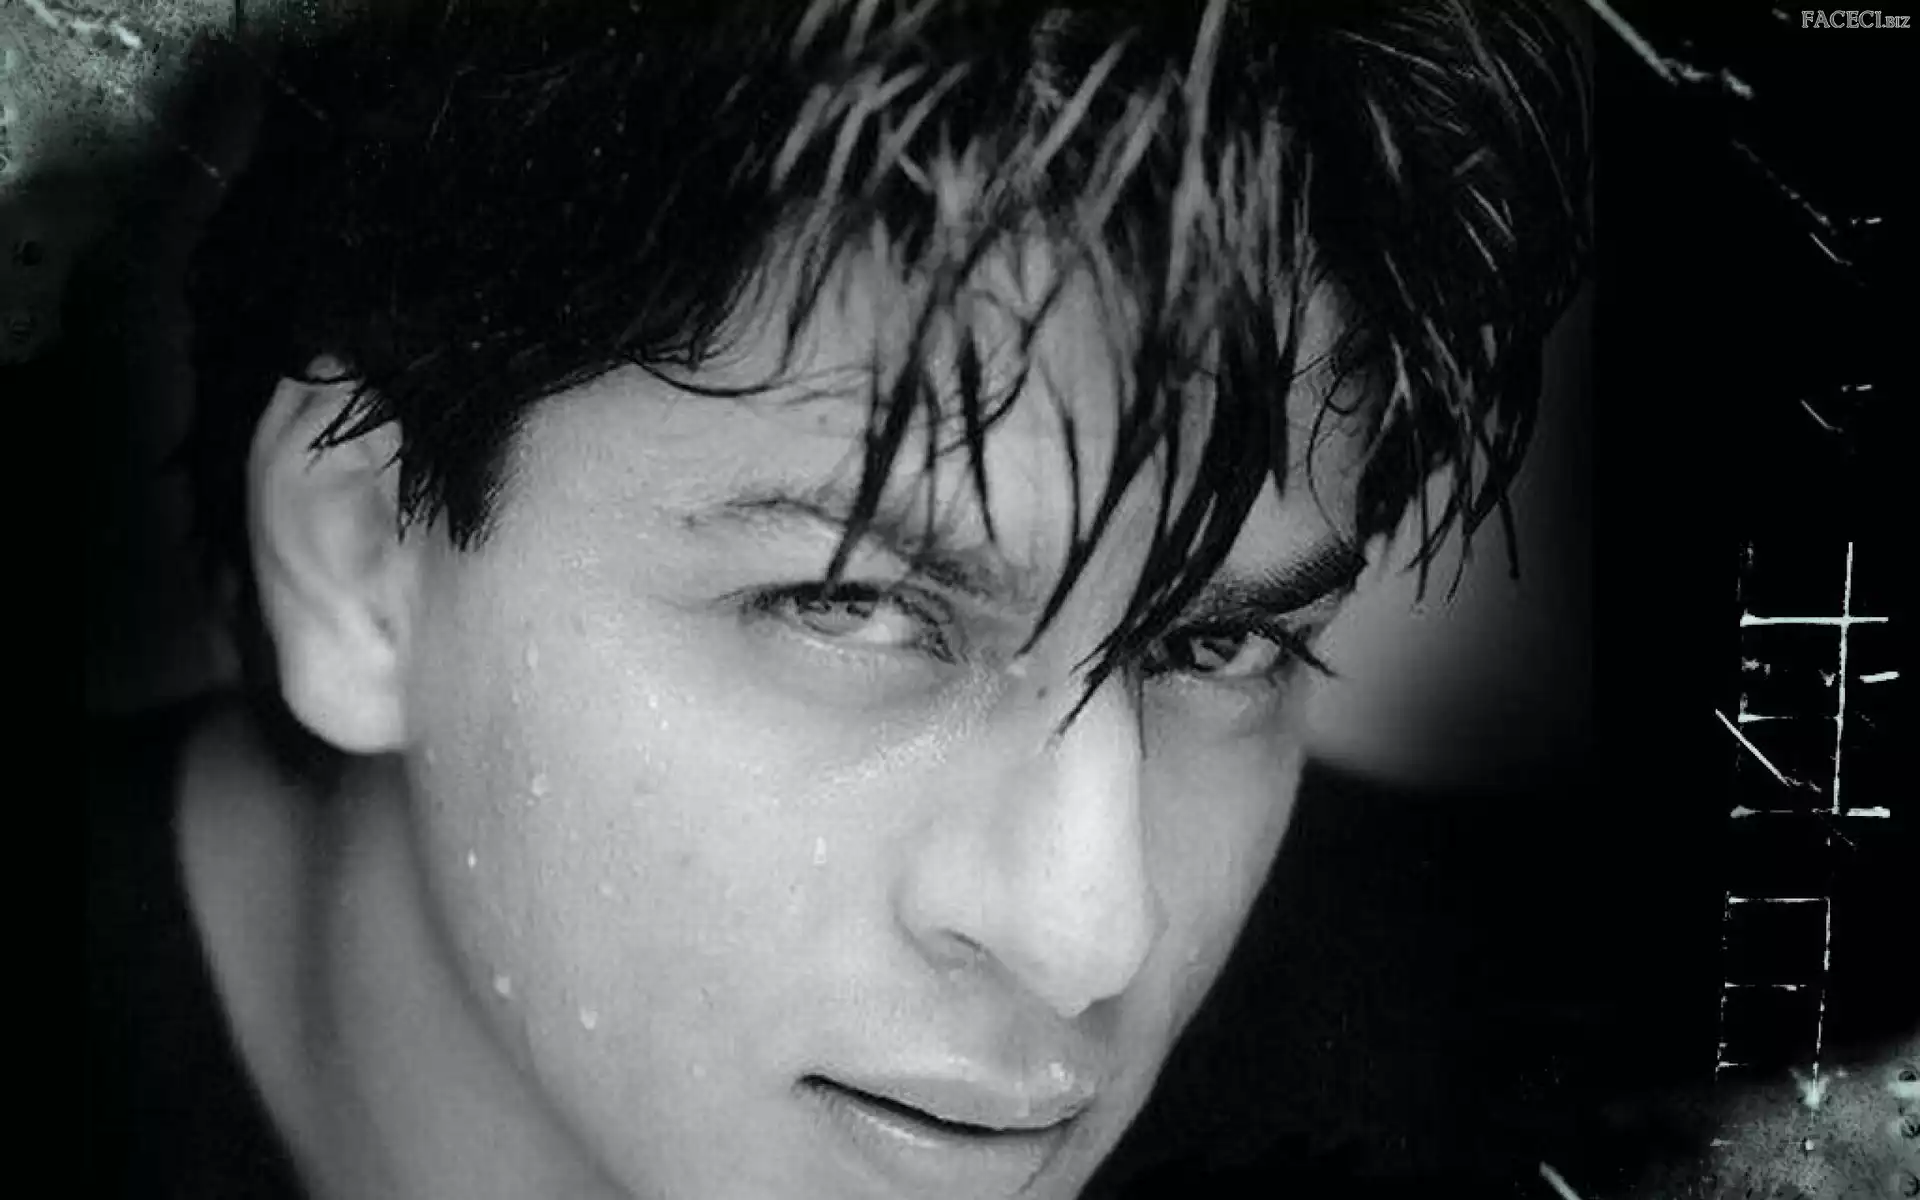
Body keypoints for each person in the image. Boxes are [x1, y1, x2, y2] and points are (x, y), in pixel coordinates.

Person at [85, 1, 1591, 1197]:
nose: (1088, 931)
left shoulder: (1549, 1086)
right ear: (364, 554)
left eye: (1217, 642)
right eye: (851, 607)